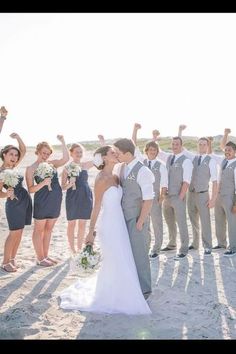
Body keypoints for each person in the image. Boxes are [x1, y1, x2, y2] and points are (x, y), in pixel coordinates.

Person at [60, 145, 151, 315]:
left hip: (121, 223)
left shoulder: (117, 175)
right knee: (115, 258)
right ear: (103, 158)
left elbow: (132, 151)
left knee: (124, 256)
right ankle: (112, 294)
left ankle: (125, 288)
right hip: (108, 224)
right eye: (112, 153)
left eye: (116, 152)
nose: (116, 154)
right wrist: (90, 231)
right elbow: (96, 207)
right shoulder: (101, 179)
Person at [113, 138, 154, 299]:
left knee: (140, 254)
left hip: (137, 218)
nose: (116, 155)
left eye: (118, 153)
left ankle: (145, 290)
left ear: (128, 153)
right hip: (124, 218)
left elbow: (148, 199)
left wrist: (140, 222)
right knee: (127, 254)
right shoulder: (122, 167)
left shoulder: (143, 171)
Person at [26, 135, 69, 267]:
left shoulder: (52, 164)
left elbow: (66, 159)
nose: (45, 155)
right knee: (39, 230)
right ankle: (40, 258)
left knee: (49, 229)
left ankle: (45, 255)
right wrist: (43, 183)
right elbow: (31, 189)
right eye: (43, 153)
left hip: (55, 199)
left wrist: (62, 141)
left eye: (48, 153)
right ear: (38, 152)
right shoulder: (31, 168)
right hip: (42, 201)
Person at [177, 125, 218, 256]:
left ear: (207, 146)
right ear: (197, 145)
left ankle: (207, 246)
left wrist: (213, 199)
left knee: (205, 221)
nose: (201, 146)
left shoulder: (211, 160)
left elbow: (215, 182)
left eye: (204, 144)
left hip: (203, 194)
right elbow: (180, 147)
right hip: (191, 194)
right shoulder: (192, 157)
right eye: (200, 144)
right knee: (193, 220)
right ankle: (195, 244)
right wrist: (180, 131)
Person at [132, 123, 168, 259]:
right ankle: (146, 246)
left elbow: (164, 182)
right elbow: (133, 146)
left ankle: (157, 248)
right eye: (150, 150)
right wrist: (135, 130)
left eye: (155, 150)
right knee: (145, 223)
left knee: (157, 223)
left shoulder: (161, 165)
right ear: (146, 151)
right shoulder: (142, 162)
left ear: (157, 151)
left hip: (155, 199)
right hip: (142, 199)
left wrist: (162, 197)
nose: (152, 151)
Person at [0, 132, 32, 272]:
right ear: (4, 155)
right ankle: (5, 262)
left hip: (24, 201)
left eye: (15, 155)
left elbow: (23, 150)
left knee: (19, 232)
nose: (14, 157)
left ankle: (12, 259)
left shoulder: (13, 166)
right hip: (13, 204)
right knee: (13, 232)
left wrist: (18, 137)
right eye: (11, 154)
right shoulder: (1, 171)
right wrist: (6, 193)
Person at [61, 143, 93, 254]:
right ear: (71, 153)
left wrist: (102, 141)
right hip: (72, 196)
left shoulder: (86, 165)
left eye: (80, 152)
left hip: (85, 195)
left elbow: (100, 159)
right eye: (76, 152)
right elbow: (63, 187)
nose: (79, 154)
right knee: (71, 223)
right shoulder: (66, 168)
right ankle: (72, 249)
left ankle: (79, 248)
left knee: (83, 223)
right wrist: (70, 183)